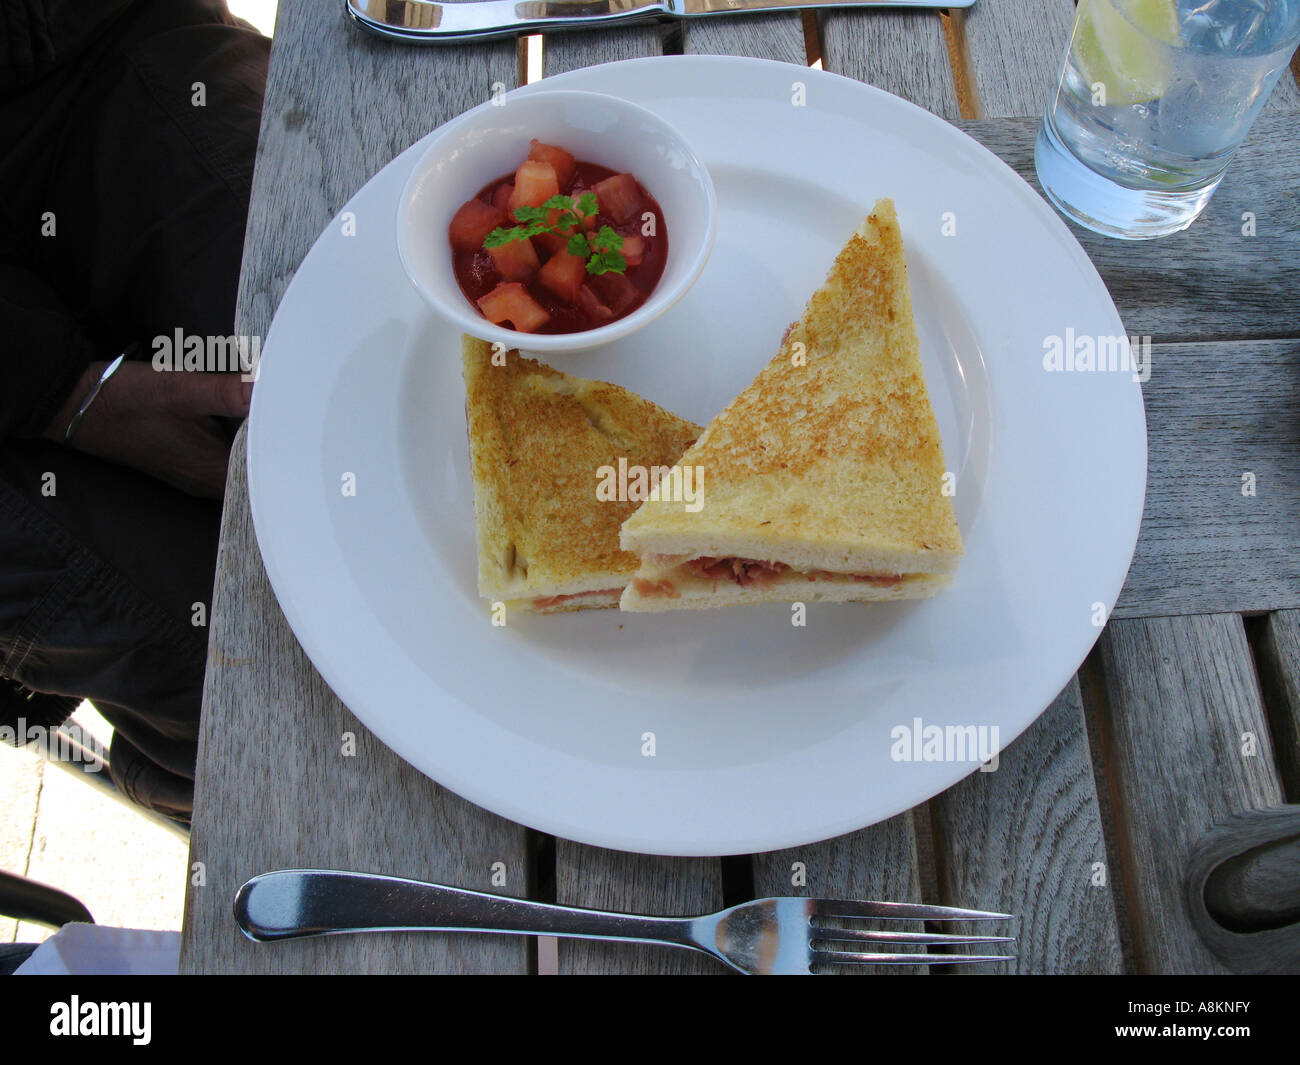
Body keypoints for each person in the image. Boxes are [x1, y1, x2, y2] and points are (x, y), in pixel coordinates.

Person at [0, 0, 271, 821]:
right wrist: (63, 391)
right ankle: (206, 782)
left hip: (68, 61)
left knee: (343, 346)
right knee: (247, 671)